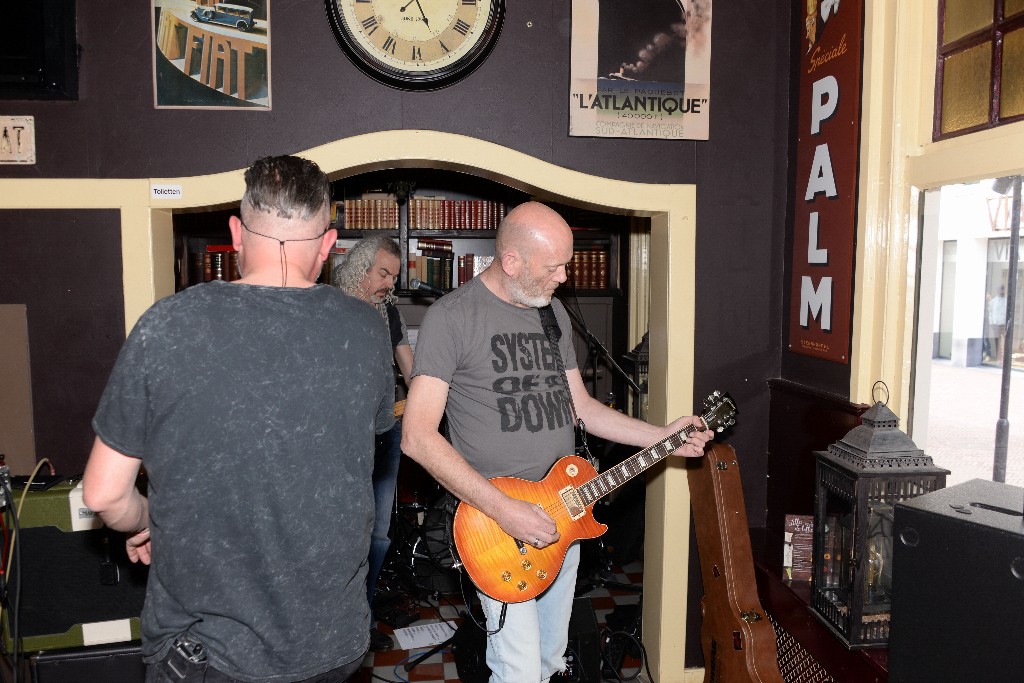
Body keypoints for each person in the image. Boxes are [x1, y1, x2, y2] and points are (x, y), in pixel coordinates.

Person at [82, 155, 396, 683]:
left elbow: (103, 495)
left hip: (209, 654)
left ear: (234, 234)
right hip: (331, 644)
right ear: (327, 245)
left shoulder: (169, 325)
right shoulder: (366, 330)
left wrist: (149, 522)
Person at [400, 201, 713, 682]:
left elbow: (581, 409)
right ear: (512, 262)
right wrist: (505, 509)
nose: (565, 276)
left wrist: (662, 434)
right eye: (555, 266)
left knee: (548, 660)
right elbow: (417, 438)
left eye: (567, 262)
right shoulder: (453, 317)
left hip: (564, 513)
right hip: (497, 526)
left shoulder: (553, 317)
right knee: (520, 670)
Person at [334, 234, 413, 652]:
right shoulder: (328, 306)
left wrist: (426, 392)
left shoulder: (389, 312)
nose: (388, 284)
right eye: (383, 273)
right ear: (359, 267)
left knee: (378, 535)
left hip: (387, 433)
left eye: (394, 277)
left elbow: (407, 362)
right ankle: (338, 624)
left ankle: (362, 621)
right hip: (340, 439)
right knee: (342, 532)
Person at [989, 285, 1007, 361]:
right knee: (997, 340)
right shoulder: (993, 301)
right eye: (1001, 290)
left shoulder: (1006, 300)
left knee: (1003, 340)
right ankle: (998, 357)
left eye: (1003, 290)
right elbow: (991, 312)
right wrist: (991, 322)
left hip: (1003, 323)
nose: (1002, 291)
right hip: (995, 324)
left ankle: (1003, 357)